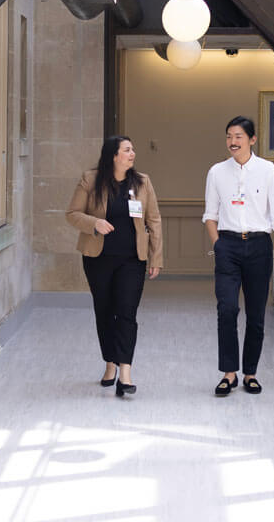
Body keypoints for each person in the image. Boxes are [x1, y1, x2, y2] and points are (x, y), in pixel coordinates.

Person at [203, 116, 274, 396]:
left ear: (252, 139)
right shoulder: (217, 172)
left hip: (259, 247)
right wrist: (219, 245)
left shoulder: (268, 171)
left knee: (256, 315)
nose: (233, 141)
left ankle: (250, 373)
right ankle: (229, 373)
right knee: (226, 309)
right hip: (227, 245)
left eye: (239, 136)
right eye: (229, 136)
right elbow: (210, 215)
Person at [67, 136, 163, 397]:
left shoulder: (142, 182)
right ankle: (109, 363)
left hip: (132, 260)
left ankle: (126, 372)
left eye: (133, 149)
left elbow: (153, 220)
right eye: (127, 150)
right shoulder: (91, 179)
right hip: (98, 259)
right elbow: (72, 214)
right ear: (113, 155)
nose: (133, 153)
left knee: (127, 313)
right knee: (105, 311)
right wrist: (94, 223)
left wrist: (155, 258)